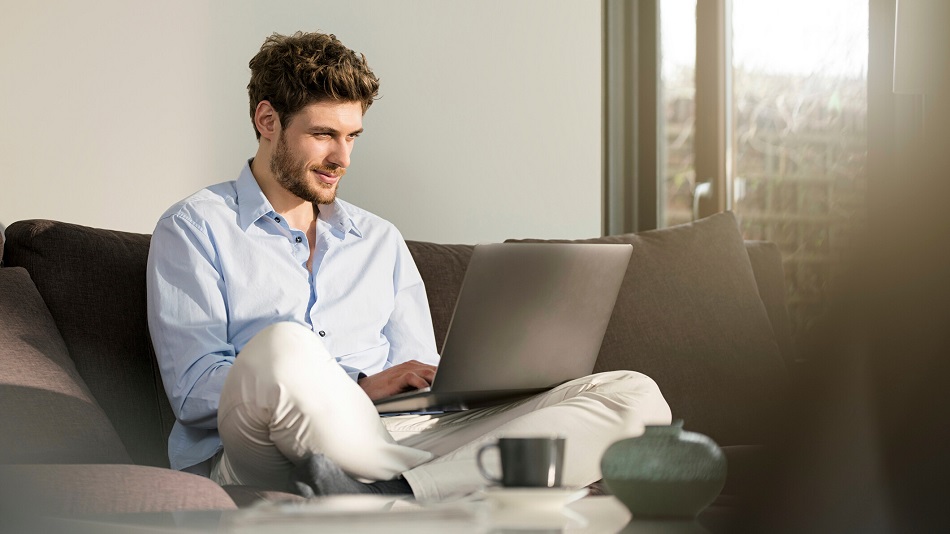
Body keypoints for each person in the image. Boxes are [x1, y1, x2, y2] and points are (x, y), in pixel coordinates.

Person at [146, 31, 671, 501]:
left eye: (352, 136)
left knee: (634, 394)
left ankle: (399, 494)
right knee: (286, 345)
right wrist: (354, 389)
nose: (342, 158)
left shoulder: (379, 240)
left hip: (391, 443)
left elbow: (420, 377)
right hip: (261, 449)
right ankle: (443, 490)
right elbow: (194, 393)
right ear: (267, 122)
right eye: (324, 134)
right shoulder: (195, 227)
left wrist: (486, 386)